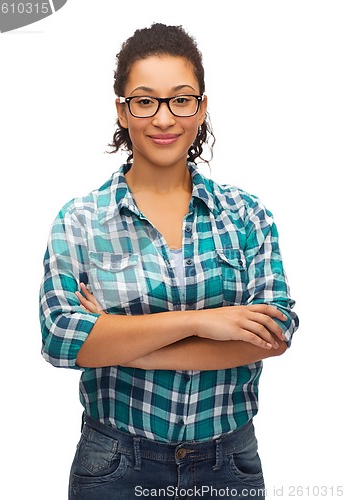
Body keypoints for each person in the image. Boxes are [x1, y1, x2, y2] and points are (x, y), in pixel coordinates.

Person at [39, 23, 299, 500]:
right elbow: (61, 339)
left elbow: (274, 333)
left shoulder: (247, 215)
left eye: (181, 99)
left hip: (230, 467)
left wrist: (119, 341)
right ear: (122, 110)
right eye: (145, 100)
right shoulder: (80, 221)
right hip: (116, 465)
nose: (164, 118)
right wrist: (207, 322)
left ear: (202, 107)